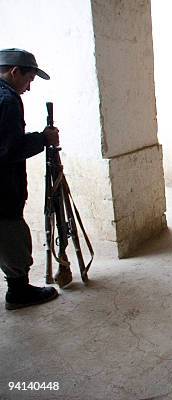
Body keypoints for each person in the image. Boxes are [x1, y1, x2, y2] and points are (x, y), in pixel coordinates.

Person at [0, 48, 60, 310]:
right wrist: (42, 138)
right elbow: (9, 149)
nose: (29, 87)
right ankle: (19, 292)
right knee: (12, 235)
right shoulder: (8, 100)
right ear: (15, 72)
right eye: (29, 80)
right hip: (2, 189)